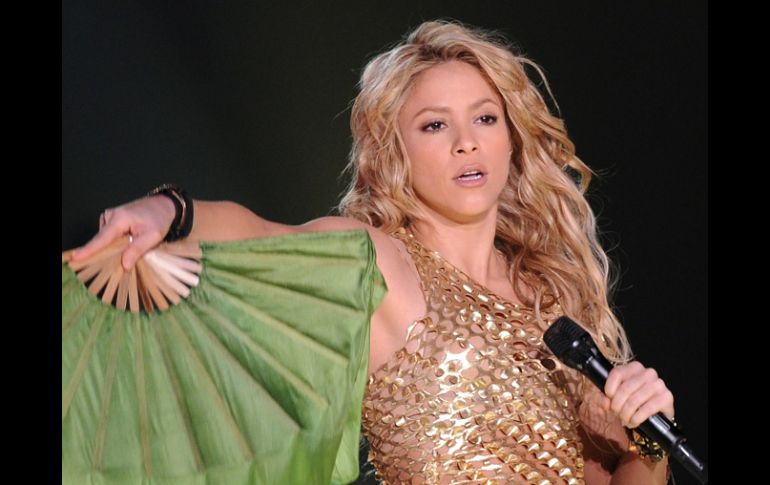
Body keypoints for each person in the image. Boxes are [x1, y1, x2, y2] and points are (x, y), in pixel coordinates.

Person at [72, 20, 676, 485]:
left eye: (486, 119)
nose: (466, 143)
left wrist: (648, 440)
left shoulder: (552, 305)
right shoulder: (381, 262)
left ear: (512, 140)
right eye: (435, 125)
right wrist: (170, 211)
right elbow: (256, 233)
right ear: (394, 151)